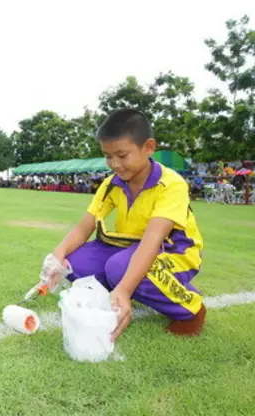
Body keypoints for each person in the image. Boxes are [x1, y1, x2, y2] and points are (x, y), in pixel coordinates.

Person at [37, 109, 205, 340]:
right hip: (129, 246)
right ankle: (123, 289)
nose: (114, 164)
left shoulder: (171, 184)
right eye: (108, 156)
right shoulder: (111, 184)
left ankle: (191, 309)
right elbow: (84, 227)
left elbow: (153, 240)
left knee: (119, 269)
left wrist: (125, 289)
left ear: (149, 147)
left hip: (175, 250)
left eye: (122, 155)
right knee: (72, 264)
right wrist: (57, 256)